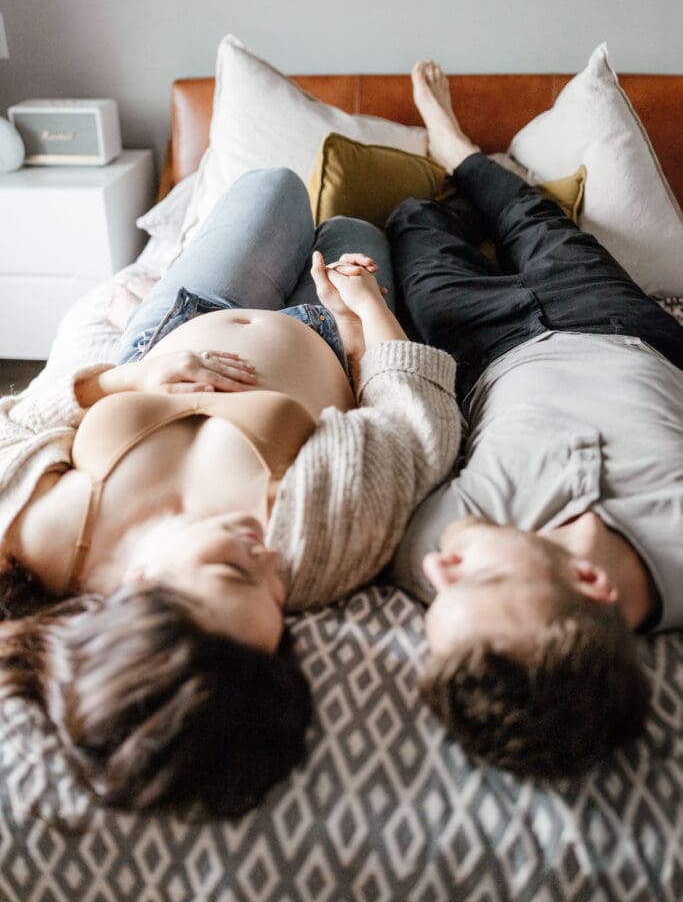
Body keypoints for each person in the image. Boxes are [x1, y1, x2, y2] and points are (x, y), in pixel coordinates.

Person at [0, 166, 460, 815]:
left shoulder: (34, 536)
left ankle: (137, 308)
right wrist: (366, 316)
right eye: (272, 593)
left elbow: (20, 414)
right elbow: (413, 425)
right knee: (356, 226)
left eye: (231, 571)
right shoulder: (308, 547)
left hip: (167, 332)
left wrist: (131, 379)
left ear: (134, 591)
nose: (267, 562)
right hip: (328, 335)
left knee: (275, 186)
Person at [387, 61, 683, 779]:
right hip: (616, 327)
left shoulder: (442, 542)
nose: (436, 569)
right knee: (533, 220)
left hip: (486, 351)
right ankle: (458, 148)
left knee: (410, 225)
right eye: (475, 583)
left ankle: (449, 184)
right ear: (590, 585)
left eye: (436, 597)